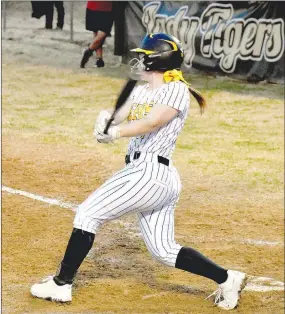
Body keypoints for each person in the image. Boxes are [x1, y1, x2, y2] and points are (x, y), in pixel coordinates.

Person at [30, 33, 247, 310]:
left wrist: (116, 132)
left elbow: (151, 122)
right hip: (147, 174)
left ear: (158, 60)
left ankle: (61, 285)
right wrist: (106, 121)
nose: (140, 59)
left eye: (145, 55)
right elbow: (123, 113)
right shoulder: (142, 90)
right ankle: (227, 278)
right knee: (164, 250)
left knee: (88, 213)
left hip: (150, 173)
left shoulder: (175, 89)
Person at [80, 1, 114, 68]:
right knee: (98, 33)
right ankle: (99, 59)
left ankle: (89, 51)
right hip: (96, 6)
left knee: (101, 34)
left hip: (104, 7)